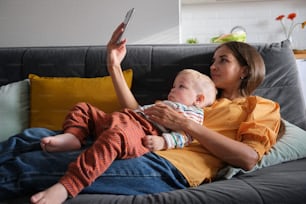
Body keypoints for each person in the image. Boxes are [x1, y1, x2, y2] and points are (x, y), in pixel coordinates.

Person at [0, 23, 282, 204]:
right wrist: (113, 66)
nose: (213, 66)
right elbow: (140, 116)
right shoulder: (200, 99)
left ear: (245, 69)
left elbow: (247, 158)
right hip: (136, 139)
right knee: (32, 137)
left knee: (31, 166)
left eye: (223, 60)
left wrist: (186, 124)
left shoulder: (259, 106)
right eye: (213, 60)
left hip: (170, 166)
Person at [40, 68, 216, 153]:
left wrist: (163, 142)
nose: (172, 90)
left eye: (181, 86)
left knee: (116, 133)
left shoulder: (191, 112)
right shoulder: (167, 103)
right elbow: (138, 110)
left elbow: (186, 136)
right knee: (82, 108)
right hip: (124, 117)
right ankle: (73, 136)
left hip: (137, 129)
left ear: (198, 99)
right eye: (173, 86)